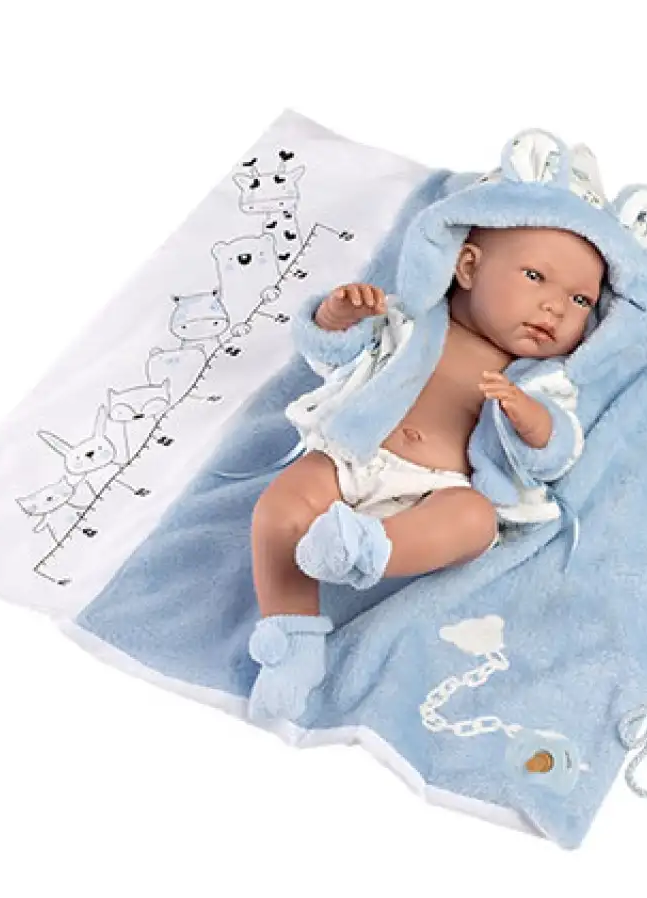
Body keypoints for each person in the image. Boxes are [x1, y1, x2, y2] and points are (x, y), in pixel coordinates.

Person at [247, 222, 606, 720]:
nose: (556, 308)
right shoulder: (406, 322)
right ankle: (291, 642)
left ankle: (369, 549)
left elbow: (557, 450)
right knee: (281, 508)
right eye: (535, 276)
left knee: (475, 520)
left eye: (582, 301)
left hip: (440, 489)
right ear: (468, 267)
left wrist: (529, 416)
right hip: (354, 457)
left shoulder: (545, 380)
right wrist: (336, 317)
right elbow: (334, 356)